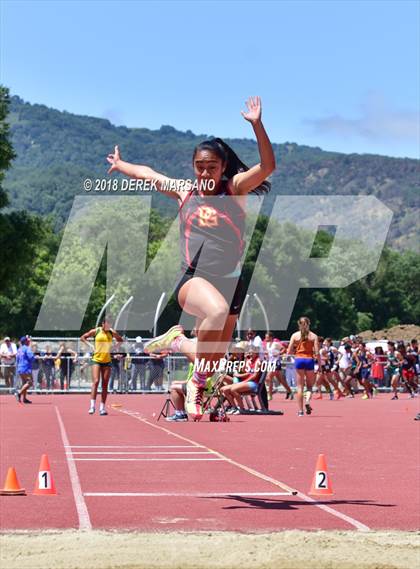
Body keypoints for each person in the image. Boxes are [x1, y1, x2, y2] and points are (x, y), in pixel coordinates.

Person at [108, 96, 275, 420]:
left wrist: (257, 125)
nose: (205, 172)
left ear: (223, 167)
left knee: (213, 356)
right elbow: (148, 174)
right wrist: (121, 165)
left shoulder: (234, 189)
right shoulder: (186, 191)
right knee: (216, 312)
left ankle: (178, 342)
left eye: (212, 167)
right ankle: (195, 385)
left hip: (232, 283)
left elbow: (268, 167)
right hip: (194, 280)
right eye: (199, 166)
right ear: (193, 167)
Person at [80, 317, 123, 415]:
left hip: (107, 360)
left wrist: (113, 347)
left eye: (110, 325)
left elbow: (120, 340)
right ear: (103, 324)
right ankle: (92, 406)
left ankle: (102, 408)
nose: (108, 326)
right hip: (96, 359)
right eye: (107, 324)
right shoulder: (96, 331)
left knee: (105, 384)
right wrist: (91, 346)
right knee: (95, 381)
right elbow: (82, 337)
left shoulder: (112, 332)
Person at [287, 317, 320, 416]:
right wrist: (320, 365)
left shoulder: (295, 335)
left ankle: (300, 411)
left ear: (299, 324)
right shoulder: (313, 336)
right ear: (309, 324)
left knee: (300, 387)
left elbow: (289, 351)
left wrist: (292, 353)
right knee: (309, 386)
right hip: (309, 360)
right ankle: (307, 401)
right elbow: (317, 352)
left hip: (299, 359)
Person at [13, 336, 35, 404]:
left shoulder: (19, 349)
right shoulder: (26, 348)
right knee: (30, 382)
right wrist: (34, 357)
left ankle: (24, 399)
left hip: (20, 367)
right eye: (27, 341)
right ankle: (19, 393)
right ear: (25, 341)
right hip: (26, 368)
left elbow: (17, 359)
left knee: (24, 383)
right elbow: (31, 357)